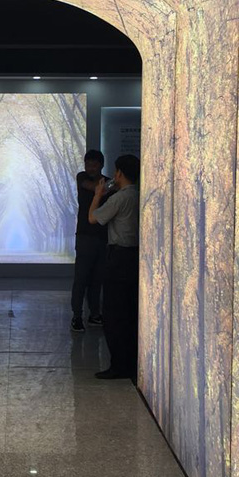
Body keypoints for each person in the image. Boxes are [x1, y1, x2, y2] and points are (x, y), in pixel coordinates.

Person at [88, 154, 140, 379]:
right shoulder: (138, 195)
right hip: (134, 257)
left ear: (119, 173)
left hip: (118, 258)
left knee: (113, 313)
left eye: (116, 172)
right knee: (129, 312)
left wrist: (98, 195)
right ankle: (131, 364)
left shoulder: (119, 198)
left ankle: (118, 365)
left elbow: (93, 218)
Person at [70, 149, 109, 332]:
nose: (90, 168)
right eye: (88, 164)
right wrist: (109, 187)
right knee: (81, 278)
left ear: (101, 165)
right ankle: (77, 316)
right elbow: (95, 188)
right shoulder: (82, 177)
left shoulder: (108, 182)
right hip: (84, 236)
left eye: (94, 165)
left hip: (103, 236)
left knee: (97, 279)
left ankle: (94, 314)